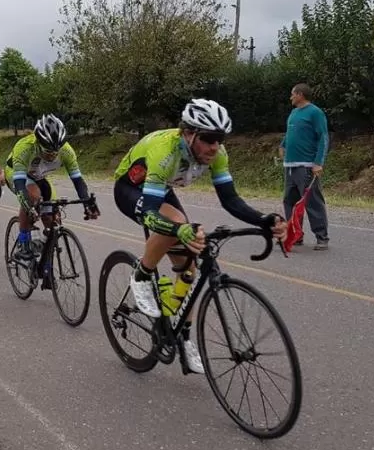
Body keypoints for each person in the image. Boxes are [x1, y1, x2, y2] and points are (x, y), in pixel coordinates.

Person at [112, 98, 287, 375]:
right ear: (189, 133)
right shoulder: (165, 151)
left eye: (220, 139)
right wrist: (178, 230)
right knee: (179, 223)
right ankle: (142, 275)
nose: (215, 146)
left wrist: (263, 220)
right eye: (208, 139)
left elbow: (230, 200)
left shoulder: (218, 154)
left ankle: (183, 337)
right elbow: (149, 212)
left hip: (162, 188)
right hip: (132, 189)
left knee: (190, 268)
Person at [6, 114, 99, 265]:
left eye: (56, 151)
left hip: (41, 176)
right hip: (18, 174)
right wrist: (29, 207)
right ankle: (23, 244)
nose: (53, 155)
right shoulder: (25, 148)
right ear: (38, 142)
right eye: (48, 151)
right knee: (33, 197)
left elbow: (78, 180)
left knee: (53, 218)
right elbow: (20, 185)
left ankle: (43, 253)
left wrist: (87, 203)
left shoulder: (67, 151)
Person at [280, 83, 330, 250]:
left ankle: (322, 237)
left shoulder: (315, 113)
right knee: (290, 201)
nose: (291, 97)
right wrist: (283, 145)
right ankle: (296, 235)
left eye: (292, 94)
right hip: (290, 165)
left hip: (306, 165)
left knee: (312, 202)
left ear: (300, 94)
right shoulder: (294, 113)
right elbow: (290, 133)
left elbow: (323, 137)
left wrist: (318, 163)